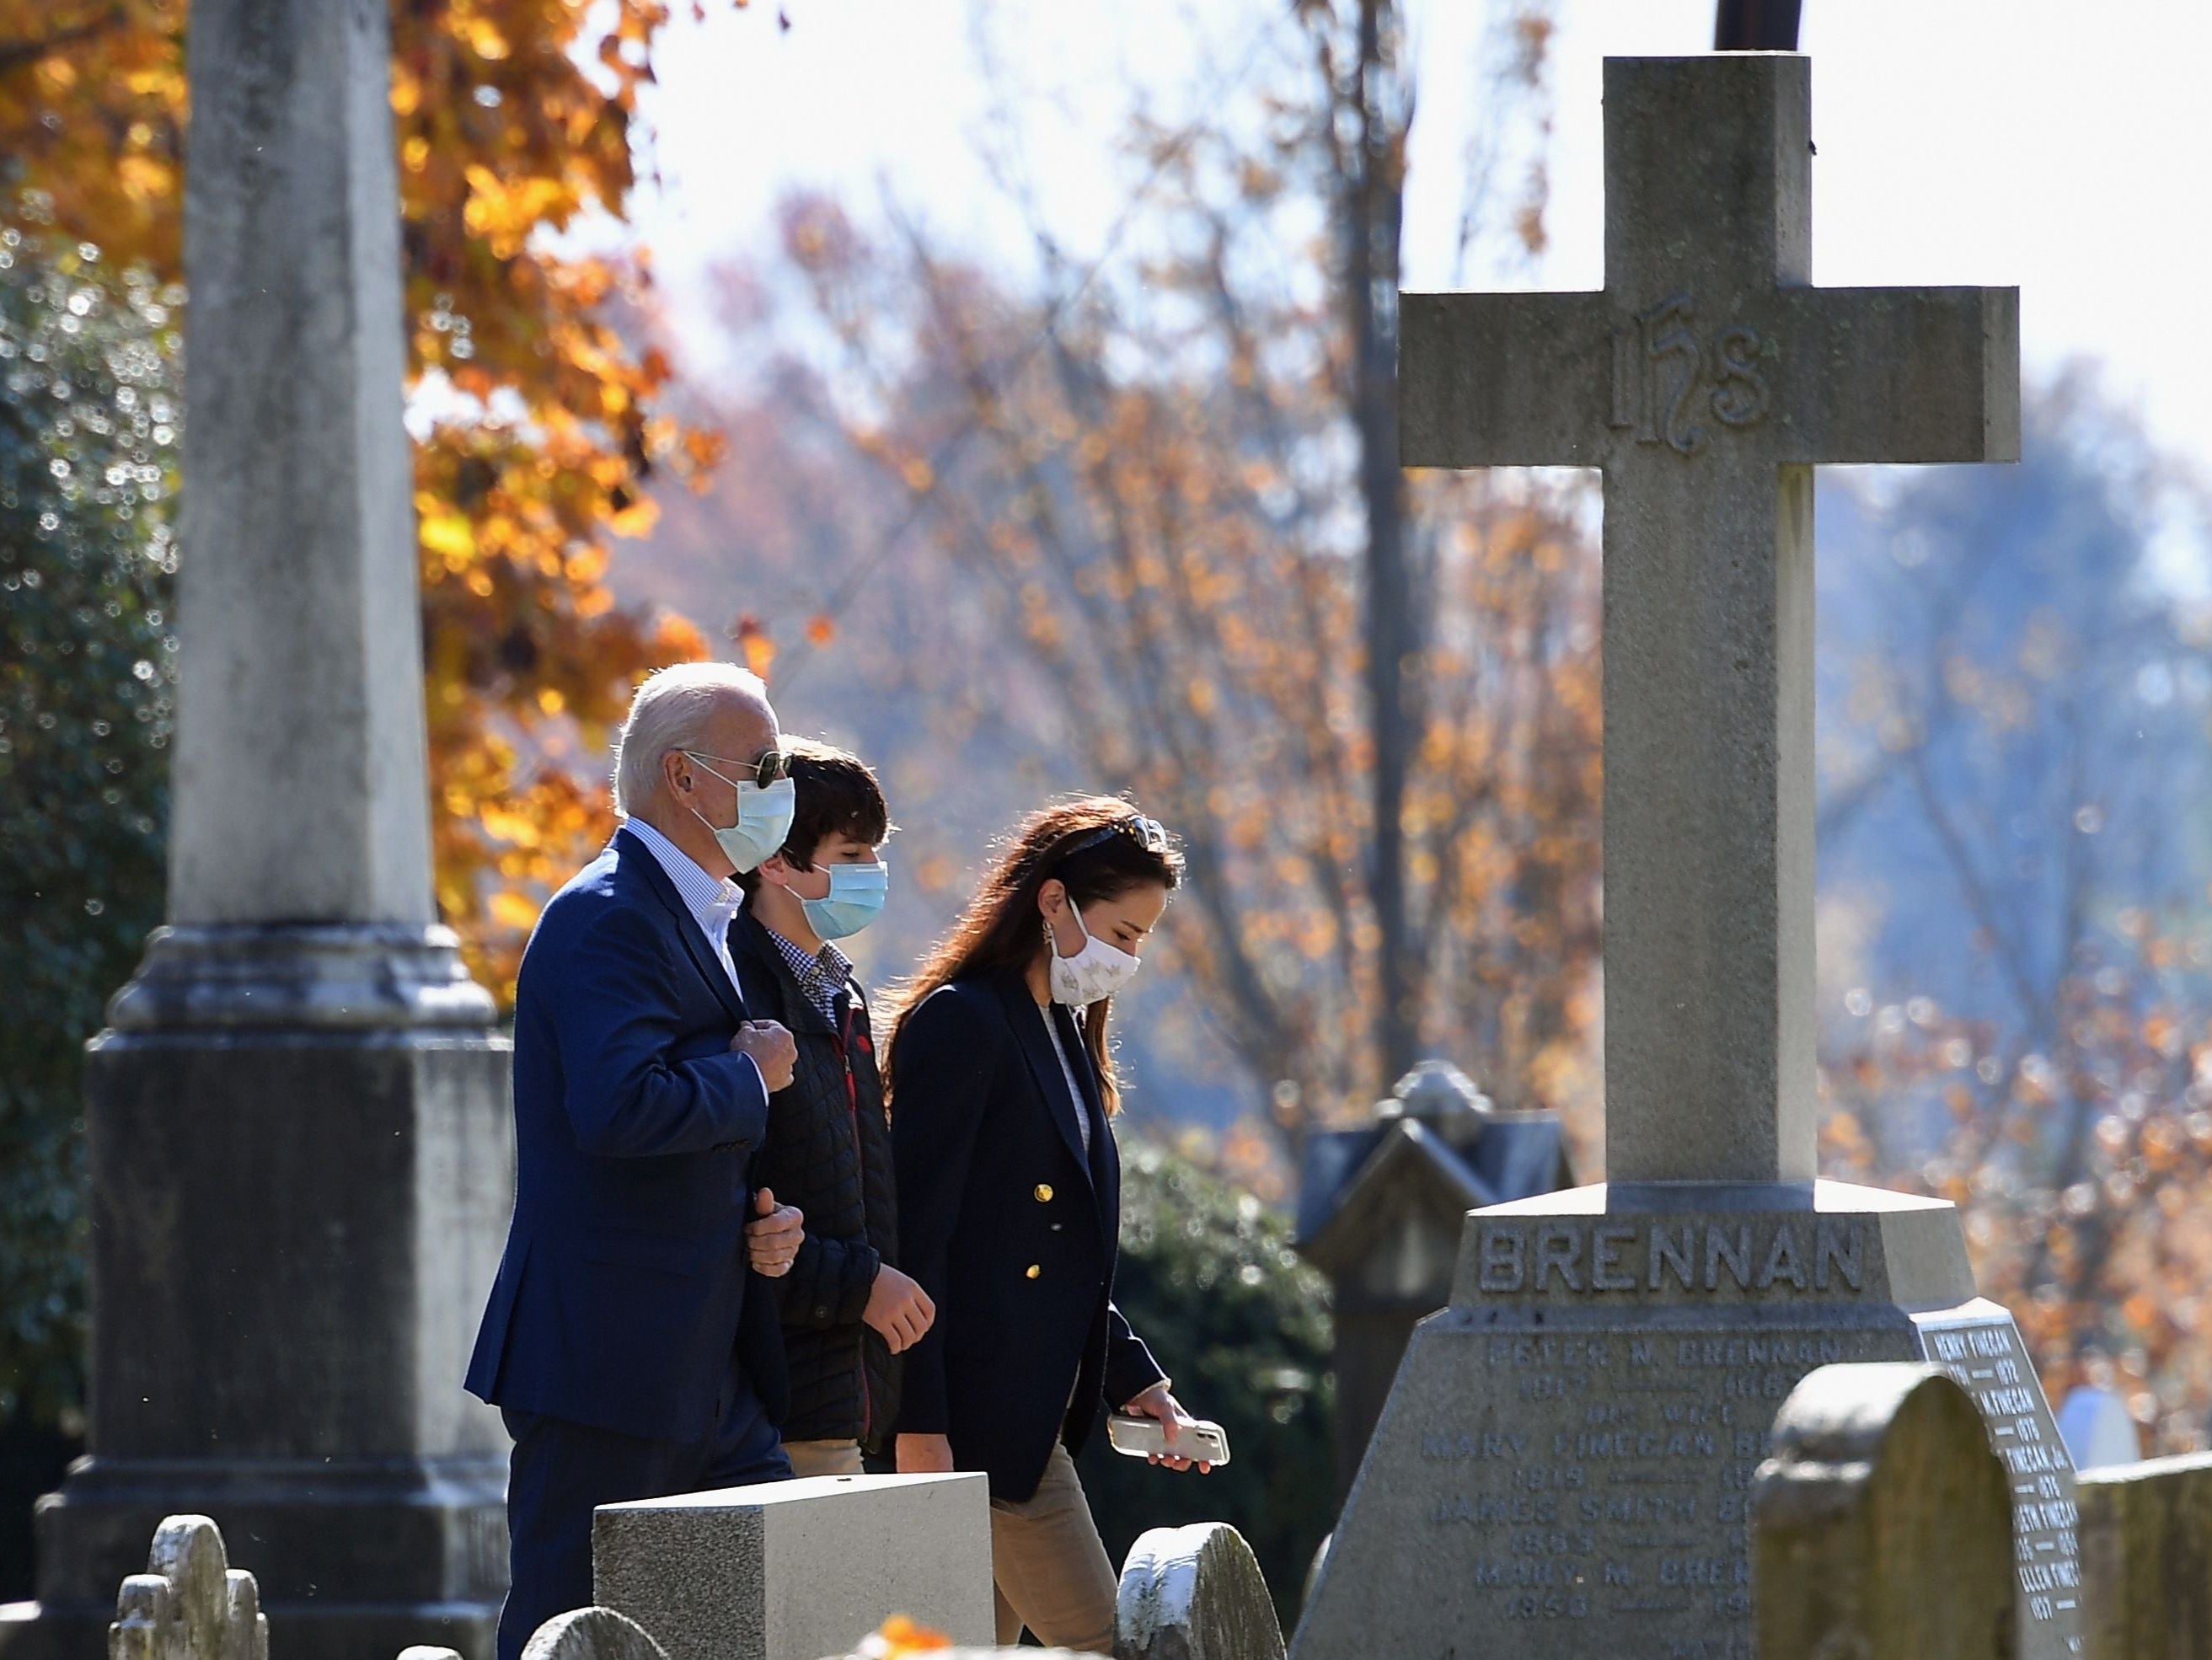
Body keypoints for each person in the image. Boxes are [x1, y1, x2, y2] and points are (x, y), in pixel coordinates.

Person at [464, 661, 810, 1660]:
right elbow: (617, 1106)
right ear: (684, 777)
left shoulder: (699, 911)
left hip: (705, 1357)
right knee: (569, 1630)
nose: (778, 787)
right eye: (762, 765)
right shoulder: (607, 911)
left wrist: (759, 1220)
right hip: (607, 1359)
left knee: (755, 1618)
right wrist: (750, 1079)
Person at [888, 796, 1212, 1653]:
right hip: (981, 1425)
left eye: (1142, 938)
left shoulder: (1060, 1031)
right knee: (1109, 1640)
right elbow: (918, 1239)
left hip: (1027, 1417)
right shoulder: (964, 1020)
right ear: (1052, 899)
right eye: (1126, 931)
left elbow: (1049, 1252)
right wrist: (917, 1422)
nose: (1129, 956)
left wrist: (1131, 1378)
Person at [731, 739, 935, 1477]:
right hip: (775, 1404)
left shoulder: (840, 995)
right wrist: (858, 1285)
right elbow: (739, 1213)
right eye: (850, 854)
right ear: (776, 861)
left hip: (845, 1398)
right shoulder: (737, 993)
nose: (871, 875)